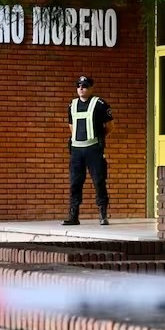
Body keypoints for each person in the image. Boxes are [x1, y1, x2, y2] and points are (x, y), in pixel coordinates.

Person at [62, 75, 115, 226]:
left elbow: (110, 126)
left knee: (99, 181)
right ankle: (73, 215)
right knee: (75, 182)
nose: (81, 89)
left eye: (84, 86)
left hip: (93, 149)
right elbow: (71, 126)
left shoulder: (100, 104)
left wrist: (98, 139)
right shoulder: (72, 105)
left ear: (91, 88)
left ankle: (103, 214)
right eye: (79, 86)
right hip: (77, 150)